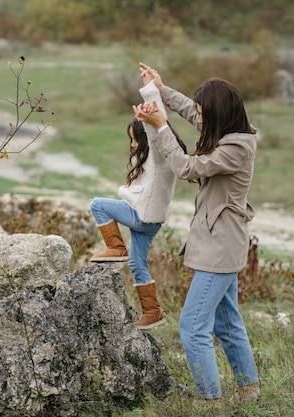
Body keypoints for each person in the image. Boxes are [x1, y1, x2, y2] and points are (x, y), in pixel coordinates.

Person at [132, 62, 260, 401]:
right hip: (219, 241)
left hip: (220, 244)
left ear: (219, 114)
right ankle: (249, 389)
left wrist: (161, 129)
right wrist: (161, 90)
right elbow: (192, 111)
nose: (198, 117)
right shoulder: (227, 128)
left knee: (191, 327)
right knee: (225, 322)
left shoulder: (236, 148)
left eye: (204, 112)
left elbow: (188, 167)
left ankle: (209, 399)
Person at [89, 75, 187, 330]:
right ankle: (152, 313)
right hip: (150, 221)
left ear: (148, 138)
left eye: (136, 139)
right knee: (137, 263)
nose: (132, 144)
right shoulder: (145, 160)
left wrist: (150, 94)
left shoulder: (159, 155)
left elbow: (158, 126)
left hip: (140, 215)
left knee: (98, 204)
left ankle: (115, 247)